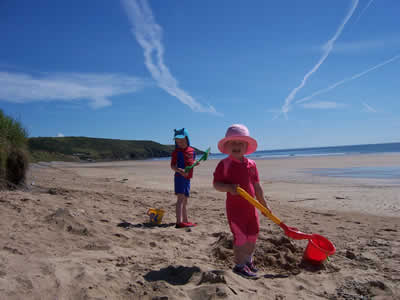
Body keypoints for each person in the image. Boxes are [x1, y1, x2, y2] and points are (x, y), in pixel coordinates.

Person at [213, 124, 271, 278]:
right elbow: (216, 185)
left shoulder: (252, 165)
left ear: (247, 146)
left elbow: (257, 187)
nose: (237, 146)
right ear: (227, 145)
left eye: (240, 143)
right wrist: (229, 188)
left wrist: (265, 206)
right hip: (235, 210)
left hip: (252, 209)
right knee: (240, 237)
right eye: (233, 142)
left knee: (253, 235)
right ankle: (239, 266)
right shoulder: (224, 165)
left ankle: (248, 261)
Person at [170, 128, 197, 228]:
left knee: (185, 200)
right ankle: (178, 222)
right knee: (180, 199)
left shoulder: (192, 151)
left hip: (188, 178)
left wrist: (195, 163)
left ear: (187, 139)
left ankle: (185, 220)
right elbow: (172, 166)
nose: (180, 143)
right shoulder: (176, 152)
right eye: (177, 141)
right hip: (179, 178)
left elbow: (192, 162)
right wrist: (179, 170)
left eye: (182, 140)